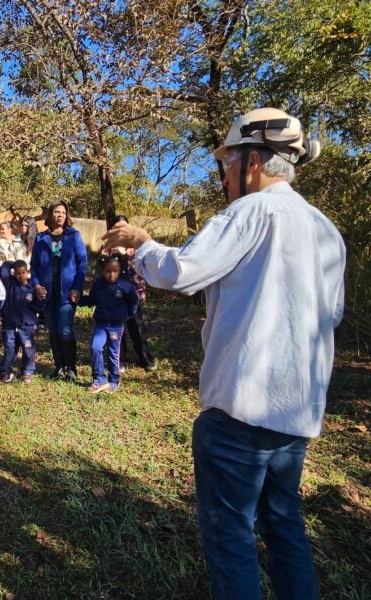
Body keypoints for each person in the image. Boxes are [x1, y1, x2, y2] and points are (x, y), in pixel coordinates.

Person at [102, 107, 344, 600]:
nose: (225, 177)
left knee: (231, 536)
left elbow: (181, 272)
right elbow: (330, 315)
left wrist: (142, 242)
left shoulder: (250, 212)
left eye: (227, 164)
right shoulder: (325, 230)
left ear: (253, 161)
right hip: (295, 416)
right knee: (284, 527)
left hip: (240, 411)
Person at [30, 199, 87, 382]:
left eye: (63, 212)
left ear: (66, 215)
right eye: (56, 212)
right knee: (53, 331)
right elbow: (34, 267)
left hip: (67, 292)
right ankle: (58, 366)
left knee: (65, 331)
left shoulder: (74, 236)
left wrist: (78, 288)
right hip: (47, 293)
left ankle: (71, 368)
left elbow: (82, 264)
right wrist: (37, 285)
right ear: (50, 215)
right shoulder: (40, 238)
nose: (60, 215)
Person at [80, 255, 139, 393]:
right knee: (95, 347)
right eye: (108, 271)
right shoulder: (98, 285)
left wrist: (129, 314)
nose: (111, 274)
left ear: (119, 271)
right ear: (103, 271)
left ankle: (113, 381)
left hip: (116, 326)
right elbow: (91, 300)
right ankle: (98, 379)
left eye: (115, 271)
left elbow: (134, 300)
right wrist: (78, 300)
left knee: (113, 353)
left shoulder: (125, 286)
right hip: (100, 324)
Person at [110, 216, 157, 371]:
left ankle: (146, 359)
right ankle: (120, 360)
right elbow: (103, 269)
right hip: (115, 295)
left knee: (137, 328)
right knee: (118, 329)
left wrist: (142, 292)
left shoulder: (136, 248)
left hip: (133, 293)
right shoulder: (109, 247)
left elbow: (141, 271)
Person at [0, 259, 43, 384]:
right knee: (9, 348)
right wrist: (14, 263)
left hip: (26, 326)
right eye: (17, 273)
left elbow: (38, 306)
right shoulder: (10, 284)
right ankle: (5, 371)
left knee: (28, 349)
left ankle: (27, 371)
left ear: (27, 272)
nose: (20, 275)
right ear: (14, 273)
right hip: (10, 325)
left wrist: (41, 299)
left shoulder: (32, 288)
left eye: (23, 272)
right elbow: (3, 270)